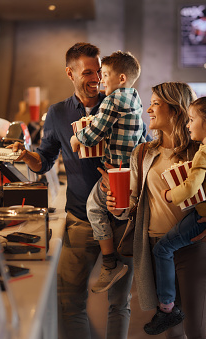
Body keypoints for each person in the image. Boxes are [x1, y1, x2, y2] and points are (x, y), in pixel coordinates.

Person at [107, 82, 206, 338]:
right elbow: (133, 203)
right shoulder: (143, 152)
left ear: (175, 109)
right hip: (155, 248)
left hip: (195, 246)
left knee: (197, 331)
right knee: (171, 331)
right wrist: (117, 207)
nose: (149, 108)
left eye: (155, 102)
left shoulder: (204, 150)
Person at [11, 42, 134, 339]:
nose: (96, 78)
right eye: (88, 72)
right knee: (69, 301)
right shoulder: (57, 114)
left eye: (99, 72)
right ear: (70, 73)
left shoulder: (119, 104)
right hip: (80, 219)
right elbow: (45, 160)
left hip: (122, 220)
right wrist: (28, 156)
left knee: (119, 304)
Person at [70, 50, 145, 293]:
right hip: (130, 169)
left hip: (117, 171)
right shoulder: (135, 98)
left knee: (94, 207)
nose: (101, 80)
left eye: (104, 75)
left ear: (121, 78)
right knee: (117, 209)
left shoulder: (112, 100)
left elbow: (93, 135)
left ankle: (110, 262)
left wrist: (76, 138)